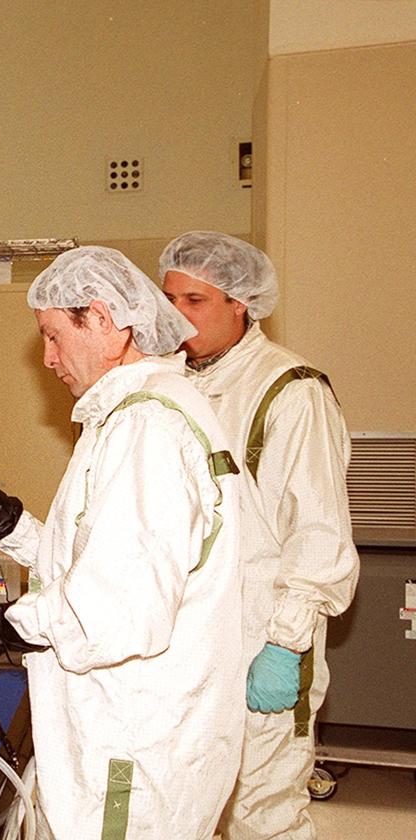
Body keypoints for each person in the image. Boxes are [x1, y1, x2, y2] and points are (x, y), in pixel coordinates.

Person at [0, 246, 244, 839]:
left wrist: (9, 623)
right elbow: (102, 559)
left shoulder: (147, 429)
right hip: (136, 731)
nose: (49, 360)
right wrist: (12, 526)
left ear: (105, 323)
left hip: (133, 745)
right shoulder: (142, 412)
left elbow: (119, 610)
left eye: (54, 337)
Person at [159, 231, 359, 839]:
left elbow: (319, 532)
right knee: (194, 810)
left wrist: (285, 644)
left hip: (261, 639)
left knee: (261, 816)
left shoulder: (290, 390)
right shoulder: (167, 382)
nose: (177, 315)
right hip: (190, 644)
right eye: (169, 298)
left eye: (195, 301)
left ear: (240, 302)